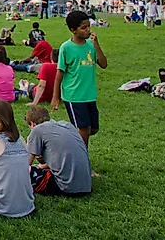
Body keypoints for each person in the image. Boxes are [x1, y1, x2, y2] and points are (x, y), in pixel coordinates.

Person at [52, 10, 108, 150]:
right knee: (84, 130)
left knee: (93, 129)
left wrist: (97, 45)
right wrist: (55, 97)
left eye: (89, 26)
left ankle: (70, 140)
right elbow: (59, 74)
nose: (88, 30)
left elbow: (104, 64)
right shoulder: (66, 47)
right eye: (83, 27)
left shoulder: (91, 45)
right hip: (74, 95)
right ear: (73, 30)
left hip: (89, 94)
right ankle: (83, 162)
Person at [25, 106, 92, 196]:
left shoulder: (37, 130)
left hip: (65, 187)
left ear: (32, 124)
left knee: (26, 175)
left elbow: (25, 165)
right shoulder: (67, 125)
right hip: (86, 185)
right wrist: (41, 166)